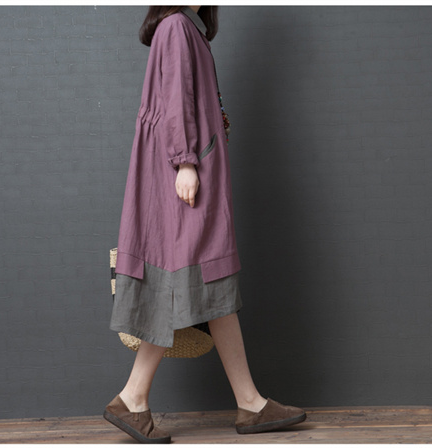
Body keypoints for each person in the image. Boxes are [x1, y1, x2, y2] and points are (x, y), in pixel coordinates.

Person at [104, 6, 306, 443]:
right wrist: (185, 162)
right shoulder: (177, 26)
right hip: (184, 172)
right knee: (188, 279)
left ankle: (246, 402)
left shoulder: (187, 30)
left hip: (194, 168)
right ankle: (136, 397)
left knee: (207, 281)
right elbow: (174, 101)